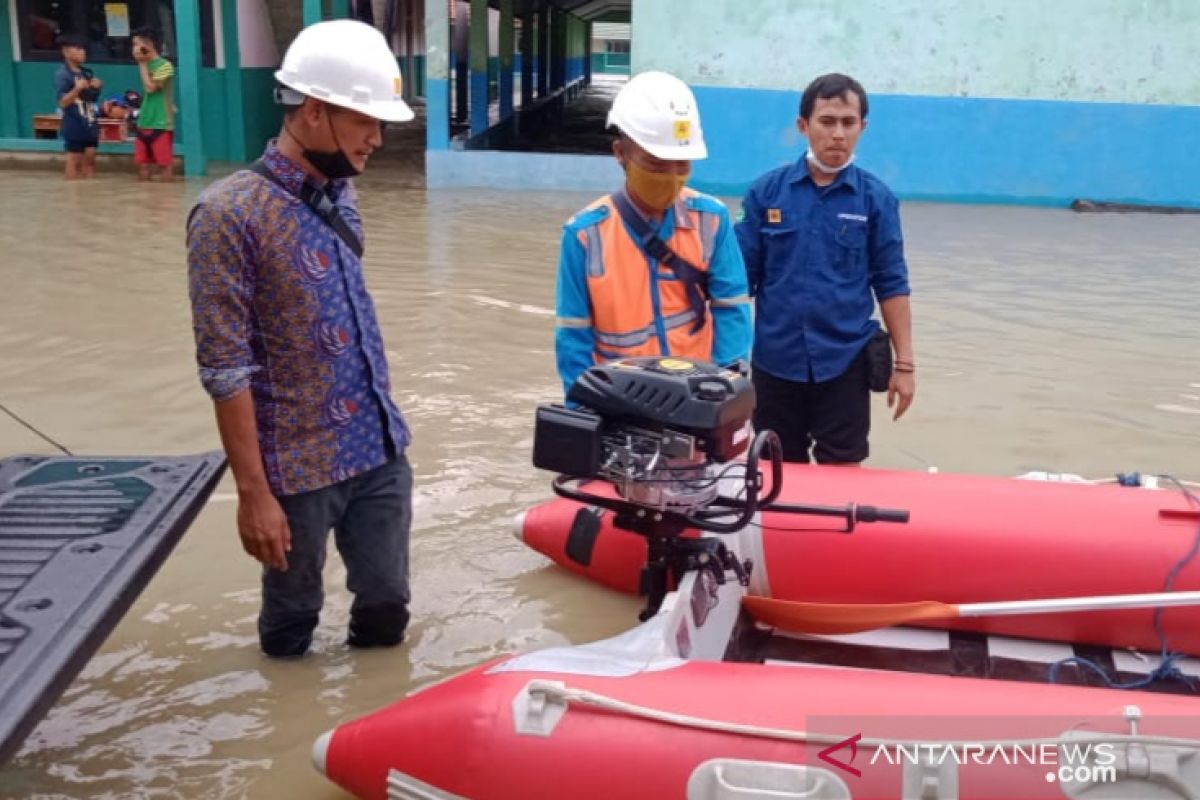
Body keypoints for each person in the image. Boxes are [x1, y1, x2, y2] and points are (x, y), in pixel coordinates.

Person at [186, 20, 417, 659]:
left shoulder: (342, 193)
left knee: (387, 608)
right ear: (313, 112)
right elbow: (225, 367)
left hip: (379, 447)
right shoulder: (227, 216)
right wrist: (253, 495)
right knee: (292, 624)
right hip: (298, 468)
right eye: (365, 121)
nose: (378, 138)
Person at [735, 73, 914, 465]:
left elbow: (892, 282)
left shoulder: (876, 200)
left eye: (848, 123)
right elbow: (735, 284)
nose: (838, 134)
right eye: (827, 121)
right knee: (772, 472)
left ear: (862, 128)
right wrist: (721, 363)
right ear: (803, 126)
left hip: (845, 364)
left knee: (844, 472)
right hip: (775, 363)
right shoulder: (766, 193)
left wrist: (904, 365)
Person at [554, 71, 752, 394]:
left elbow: (732, 312)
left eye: (682, 164)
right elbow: (573, 340)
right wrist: (584, 410)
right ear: (620, 153)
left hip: (697, 397)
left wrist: (724, 392)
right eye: (657, 164)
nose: (672, 176)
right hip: (619, 401)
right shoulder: (584, 236)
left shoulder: (711, 220)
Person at [53, 33, 102, 179]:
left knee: (91, 157)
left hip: (89, 120)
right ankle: (72, 194)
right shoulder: (62, 75)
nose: (83, 52)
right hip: (74, 122)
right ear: (66, 52)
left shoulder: (85, 72)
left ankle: (88, 193)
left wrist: (97, 86)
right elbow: (62, 102)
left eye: (83, 49)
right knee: (73, 159)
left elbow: (90, 98)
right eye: (78, 49)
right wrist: (77, 88)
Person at [131, 28, 175, 181]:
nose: (134, 49)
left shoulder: (165, 66)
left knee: (164, 165)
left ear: (148, 45)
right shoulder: (143, 65)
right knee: (141, 165)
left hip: (161, 122)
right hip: (144, 120)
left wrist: (142, 64)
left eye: (137, 45)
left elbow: (150, 88)